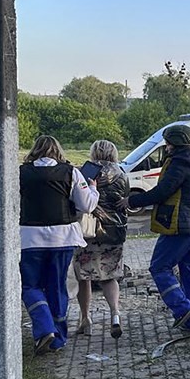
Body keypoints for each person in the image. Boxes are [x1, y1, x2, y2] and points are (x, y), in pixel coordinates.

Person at [125, 125, 190, 331]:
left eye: (168, 143)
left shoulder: (179, 164)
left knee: (159, 267)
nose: (166, 147)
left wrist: (131, 201)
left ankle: (182, 308)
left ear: (176, 144)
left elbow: (161, 192)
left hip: (181, 226)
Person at [19, 135, 98, 355]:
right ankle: (57, 338)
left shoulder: (21, 173)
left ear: (35, 151)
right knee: (57, 287)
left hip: (29, 238)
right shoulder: (71, 172)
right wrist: (93, 189)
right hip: (63, 239)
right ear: (58, 151)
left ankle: (44, 327)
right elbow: (87, 204)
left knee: (30, 286)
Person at [73, 140, 129, 338]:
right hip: (114, 232)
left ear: (94, 152)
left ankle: (85, 319)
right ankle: (115, 315)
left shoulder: (85, 173)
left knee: (84, 276)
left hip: (89, 232)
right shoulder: (122, 174)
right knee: (110, 275)